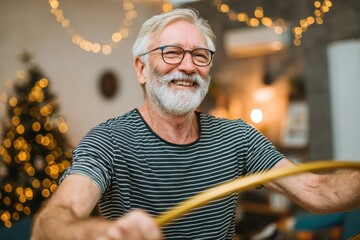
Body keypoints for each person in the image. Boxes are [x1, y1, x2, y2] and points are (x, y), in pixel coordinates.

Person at [31, 8, 360, 240]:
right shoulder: (107, 141)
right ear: (141, 69)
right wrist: (100, 234)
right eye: (172, 52)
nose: (188, 66)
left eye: (200, 55)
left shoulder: (237, 136)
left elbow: (317, 191)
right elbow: (53, 223)